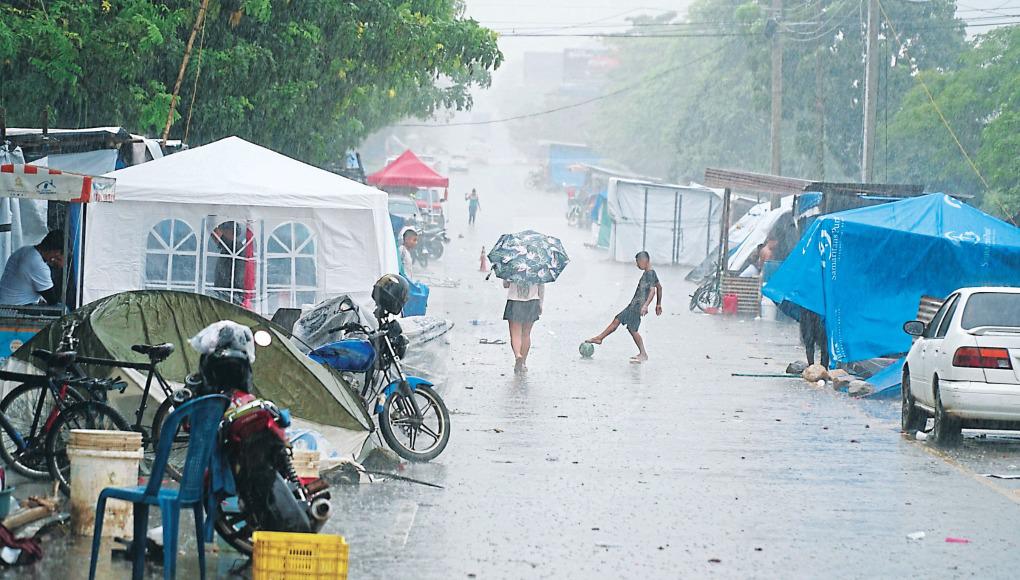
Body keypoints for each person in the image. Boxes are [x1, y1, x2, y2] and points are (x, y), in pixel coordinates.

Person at [586, 251, 662, 363]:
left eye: (638, 262)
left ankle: (643, 354)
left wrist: (645, 305)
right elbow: (659, 287)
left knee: (629, 327)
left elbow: (652, 291)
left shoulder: (649, 274)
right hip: (635, 304)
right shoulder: (651, 272)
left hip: (637, 306)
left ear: (644, 261)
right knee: (622, 323)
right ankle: (600, 338)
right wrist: (658, 304)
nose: (637, 265)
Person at [0, 230, 65, 306]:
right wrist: (60, 268)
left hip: (6, 304)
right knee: (63, 308)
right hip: (15, 309)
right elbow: (53, 300)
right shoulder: (37, 264)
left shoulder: (25, 250)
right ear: (57, 252)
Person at [503, 280, 544, 374]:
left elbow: (505, 284)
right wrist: (541, 303)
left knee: (515, 334)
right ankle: (523, 363)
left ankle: (518, 355)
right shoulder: (537, 266)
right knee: (526, 334)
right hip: (533, 301)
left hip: (514, 301)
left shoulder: (511, 265)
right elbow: (541, 286)